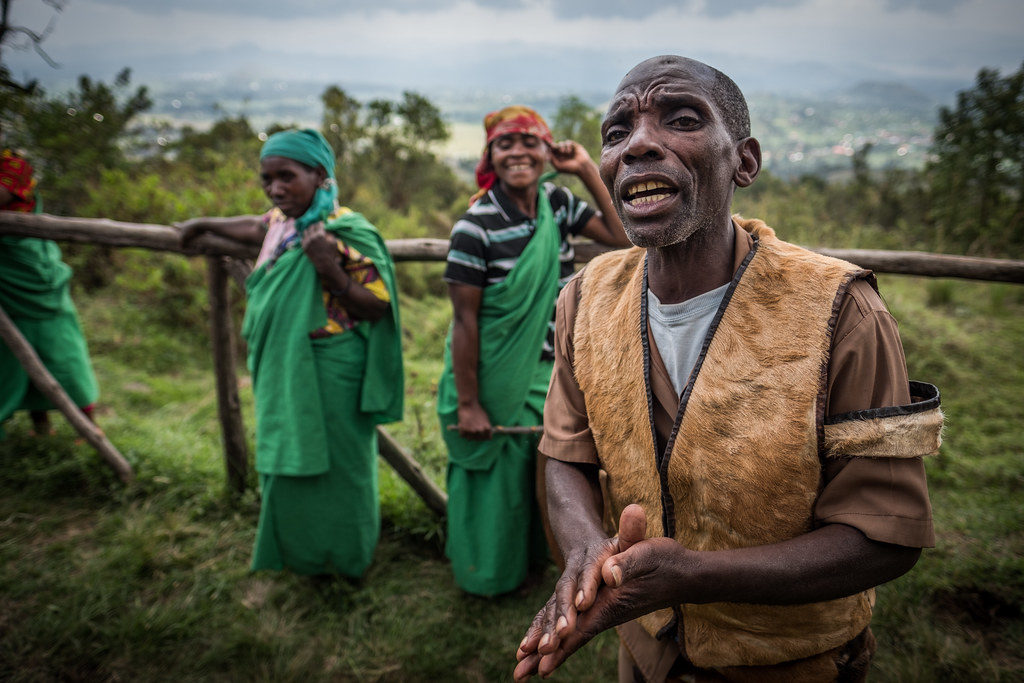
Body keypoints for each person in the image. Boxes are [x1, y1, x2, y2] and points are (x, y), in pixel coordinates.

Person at [514, 56, 942, 682]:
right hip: (644, 651)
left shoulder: (838, 311)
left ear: (744, 160)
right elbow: (565, 453)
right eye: (616, 132)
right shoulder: (586, 298)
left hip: (792, 662)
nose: (638, 145)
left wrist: (688, 576)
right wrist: (584, 549)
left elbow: (884, 536)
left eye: (681, 119)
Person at [178, 128, 403, 578]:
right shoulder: (282, 224)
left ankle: (345, 562)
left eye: (287, 176)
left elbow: (377, 305)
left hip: (333, 370)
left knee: (341, 468)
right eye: (267, 179)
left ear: (319, 175)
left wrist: (327, 267)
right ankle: (300, 557)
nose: (276, 188)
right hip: (285, 367)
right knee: (288, 458)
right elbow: (252, 226)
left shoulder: (343, 230)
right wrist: (202, 224)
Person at [437, 105, 630, 597]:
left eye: (530, 143)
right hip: (492, 374)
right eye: (505, 144)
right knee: (495, 483)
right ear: (490, 156)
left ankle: (538, 569)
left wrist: (587, 168)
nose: (518, 153)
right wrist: (469, 402)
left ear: (547, 152)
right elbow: (464, 321)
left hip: (550, 370)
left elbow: (623, 236)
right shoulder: (474, 227)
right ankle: (487, 577)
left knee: (542, 475)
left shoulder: (558, 205)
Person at [0, 148, 99, 439]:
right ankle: (41, 428)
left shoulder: (12, 166)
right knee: (7, 351)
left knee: (59, 350)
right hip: (4, 277)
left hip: (29, 271)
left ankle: (90, 431)